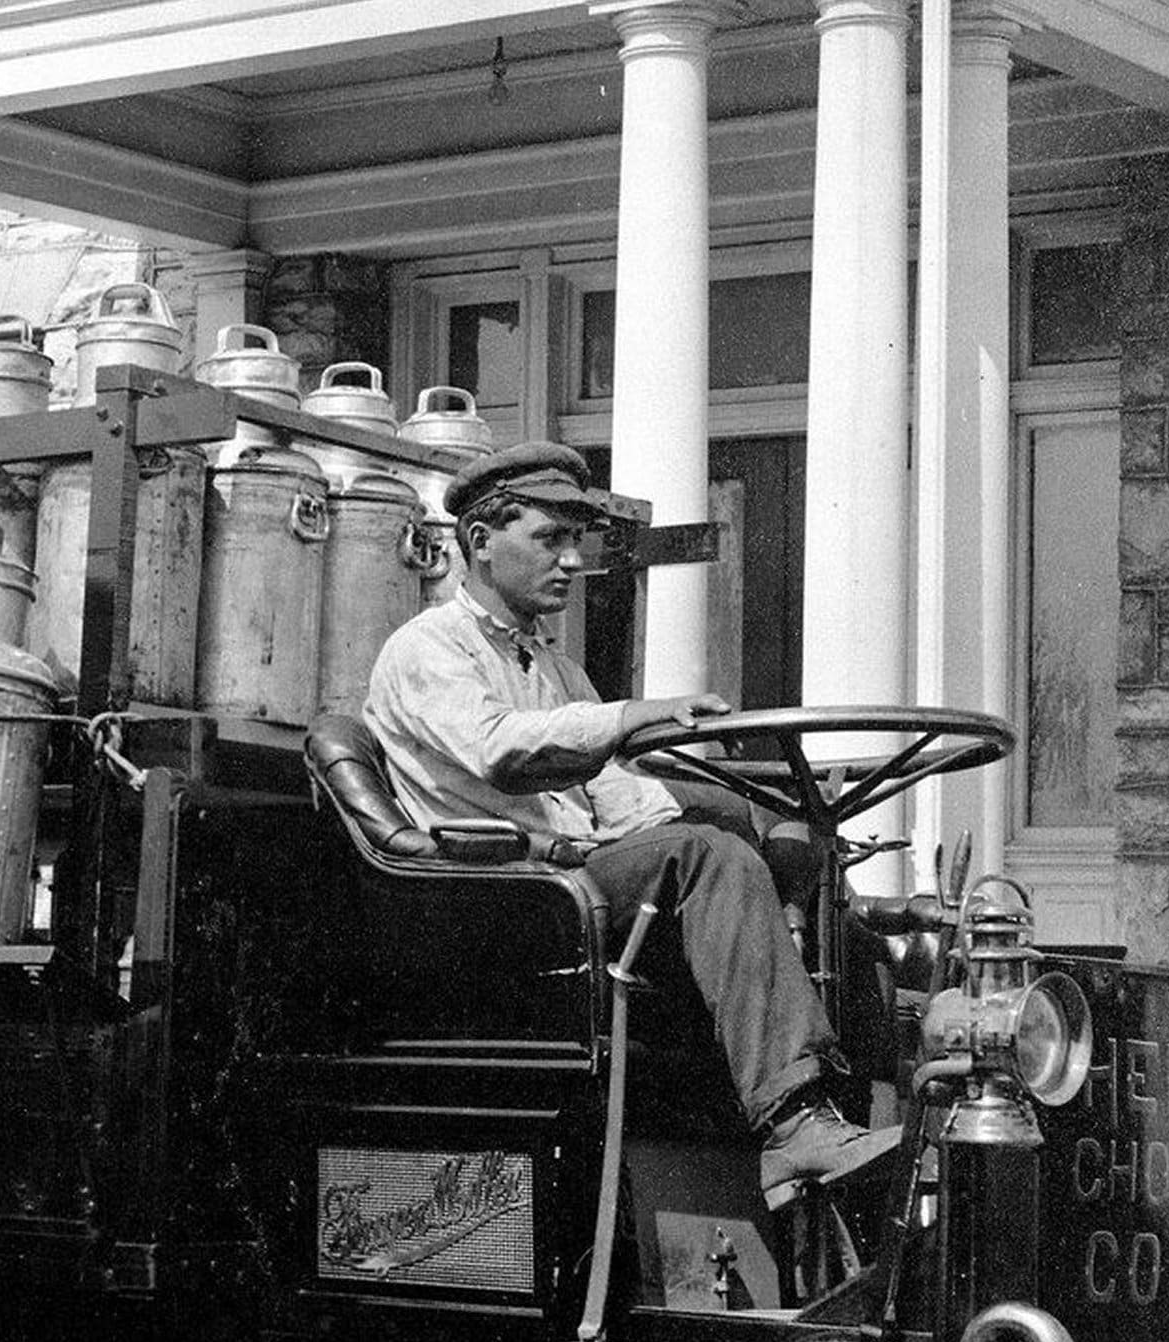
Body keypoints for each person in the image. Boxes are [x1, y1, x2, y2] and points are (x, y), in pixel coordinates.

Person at [362, 439, 899, 1194]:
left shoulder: (553, 666)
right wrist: (632, 717)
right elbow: (501, 751)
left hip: (572, 880)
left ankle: (850, 1110)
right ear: (480, 543)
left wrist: (755, 812)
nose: (572, 562)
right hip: (507, 900)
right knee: (707, 856)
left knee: (772, 842)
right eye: (549, 538)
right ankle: (792, 1119)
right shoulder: (425, 650)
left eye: (574, 541)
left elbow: (613, 794)